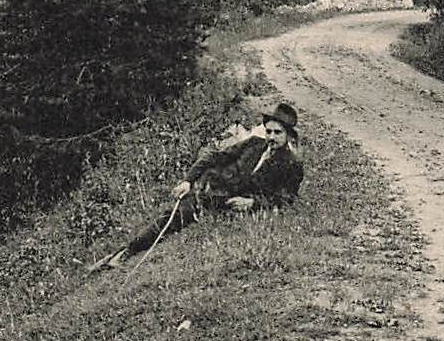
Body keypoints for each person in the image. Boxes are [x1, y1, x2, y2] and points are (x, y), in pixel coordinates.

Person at [90, 101, 305, 271]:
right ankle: (122, 252)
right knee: (172, 216)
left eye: (278, 133)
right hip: (210, 188)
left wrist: (252, 203)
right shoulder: (254, 144)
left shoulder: (291, 164)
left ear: (288, 135)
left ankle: (125, 252)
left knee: (174, 218)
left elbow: (286, 198)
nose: (271, 137)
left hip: (225, 204)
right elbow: (213, 156)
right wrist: (187, 181)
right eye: (269, 131)